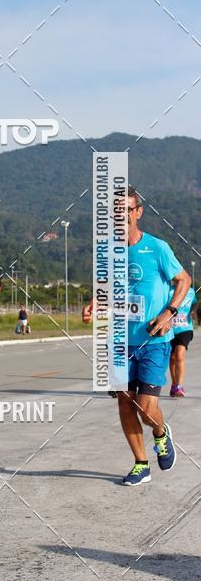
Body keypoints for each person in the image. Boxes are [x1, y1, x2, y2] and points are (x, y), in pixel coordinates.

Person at [116, 187, 191, 486]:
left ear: (138, 212)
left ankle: (160, 433)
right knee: (124, 402)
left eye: (127, 209)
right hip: (120, 341)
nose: (121, 215)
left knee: (145, 407)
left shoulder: (157, 248)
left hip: (154, 341)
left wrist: (168, 312)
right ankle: (141, 464)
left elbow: (183, 279)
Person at [168, 284, 197, 397]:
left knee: (179, 354)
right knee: (172, 358)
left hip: (185, 328)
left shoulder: (190, 291)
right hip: (169, 329)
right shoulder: (167, 289)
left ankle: (179, 386)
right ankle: (174, 384)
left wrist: (193, 311)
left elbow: (194, 303)